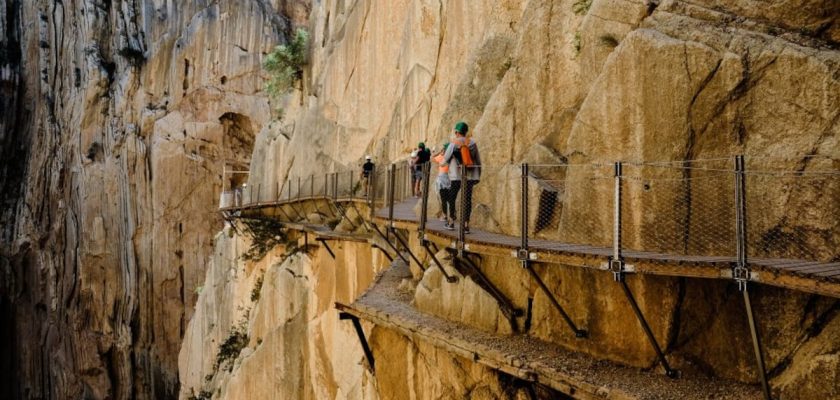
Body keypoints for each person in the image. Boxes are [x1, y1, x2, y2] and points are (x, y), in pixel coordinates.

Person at [443, 121, 481, 232]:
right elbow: (477, 160)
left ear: (457, 132)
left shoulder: (454, 143)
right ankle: (465, 225)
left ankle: (451, 221)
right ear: (465, 132)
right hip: (469, 177)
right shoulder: (472, 143)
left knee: (452, 197)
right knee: (467, 200)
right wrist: (477, 176)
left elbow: (445, 159)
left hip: (456, 176)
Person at [433, 143, 451, 222]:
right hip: (450, 178)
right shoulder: (451, 157)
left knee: (443, 198)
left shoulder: (442, 157)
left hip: (442, 178)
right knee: (449, 199)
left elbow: (431, 158)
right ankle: (450, 216)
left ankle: (445, 216)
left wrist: (439, 153)